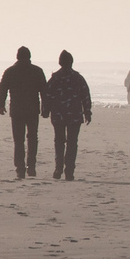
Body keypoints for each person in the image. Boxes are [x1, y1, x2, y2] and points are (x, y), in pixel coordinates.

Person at [0, 46, 49, 179]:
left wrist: (1, 105)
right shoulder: (37, 71)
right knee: (32, 138)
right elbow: (44, 91)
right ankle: (31, 167)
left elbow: (2, 88)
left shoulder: (10, 71)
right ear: (29, 57)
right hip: (32, 109)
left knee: (18, 140)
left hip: (17, 110)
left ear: (17, 57)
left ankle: (20, 169)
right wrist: (45, 108)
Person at [47, 50, 92, 181]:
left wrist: (45, 110)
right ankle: (69, 171)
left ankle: (58, 168)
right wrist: (87, 112)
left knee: (59, 142)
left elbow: (47, 95)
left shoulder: (55, 78)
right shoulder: (78, 78)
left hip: (58, 115)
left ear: (60, 62)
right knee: (72, 143)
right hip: (74, 116)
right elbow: (86, 96)